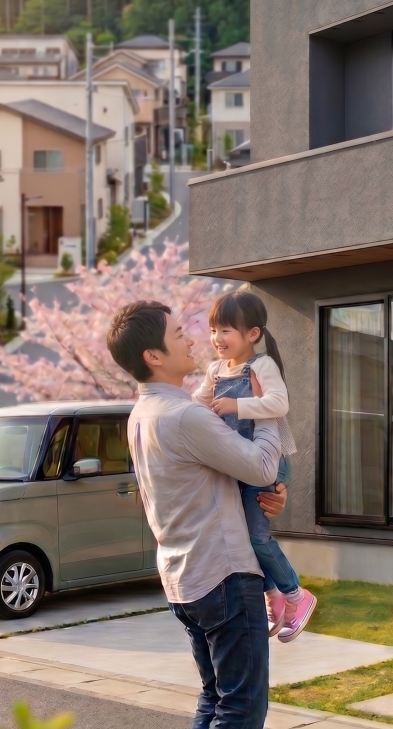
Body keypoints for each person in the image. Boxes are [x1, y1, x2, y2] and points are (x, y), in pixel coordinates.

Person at [107, 300, 287, 729]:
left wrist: (263, 496)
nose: (191, 340)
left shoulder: (142, 414)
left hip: (183, 579)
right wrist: (263, 409)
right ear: (153, 356)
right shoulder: (185, 415)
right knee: (241, 708)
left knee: (214, 698)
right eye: (177, 334)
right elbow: (263, 466)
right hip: (223, 574)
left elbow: (207, 480)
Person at [193, 290, 316, 642]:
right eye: (213, 330)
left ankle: (297, 596)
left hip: (267, 463)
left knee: (256, 537)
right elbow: (196, 404)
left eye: (226, 330)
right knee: (242, 538)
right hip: (240, 464)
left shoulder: (262, 366)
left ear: (252, 334)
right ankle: (273, 595)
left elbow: (279, 403)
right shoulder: (215, 370)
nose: (217, 338)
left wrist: (237, 406)